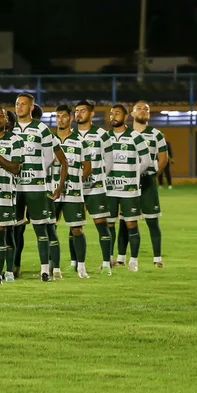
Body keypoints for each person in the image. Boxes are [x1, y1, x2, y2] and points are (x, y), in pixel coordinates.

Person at [12, 94, 67, 282]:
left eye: (23, 104)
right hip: (15, 189)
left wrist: (43, 177)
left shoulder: (41, 129)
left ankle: (45, 270)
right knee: (15, 230)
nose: (19, 107)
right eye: (17, 104)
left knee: (41, 229)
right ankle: (13, 268)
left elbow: (50, 158)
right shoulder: (10, 129)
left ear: (32, 107)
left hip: (36, 187)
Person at [107, 104, 150, 271]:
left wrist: (134, 174)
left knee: (131, 224)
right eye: (111, 114)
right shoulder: (106, 137)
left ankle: (134, 261)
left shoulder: (135, 136)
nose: (113, 116)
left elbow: (146, 161)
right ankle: (108, 259)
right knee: (109, 224)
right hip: (110, 189)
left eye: (117, 113)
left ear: (125, 117)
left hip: (130, 190)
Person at [74, 100, 115, 276]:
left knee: (101, 224)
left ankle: (107, 262)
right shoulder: (71, 135)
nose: (78, 114)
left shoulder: (101, 134)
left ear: (91, 114)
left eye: (83, 111)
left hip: (96, 188)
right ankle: (75, 262)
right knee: (75, 226)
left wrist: (100, 178)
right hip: (75, 189)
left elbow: (110, 160)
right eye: (76, 111)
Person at [51, 104, 91, 278]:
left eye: (64, 116)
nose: (61, 119)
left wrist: (76, 182)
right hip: (51, 191)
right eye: (58, 116)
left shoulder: (81, 141)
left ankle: (81, 267)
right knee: (50, 229)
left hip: (73, 192)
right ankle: (55, 269)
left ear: (71, 119)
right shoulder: (48, 140)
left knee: (77, 230)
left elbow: (88, 167)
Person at [0, 106, 23, 284]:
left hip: (5, 194)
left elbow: (16, 168)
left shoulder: (15, 141)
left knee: (2, 233)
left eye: (2, 116)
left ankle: (4, 272)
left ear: (7, 120)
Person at [132, 101, 168, 268]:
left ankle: (157, 259)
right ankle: (120, 258)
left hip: (147, 181)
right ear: (132, 114)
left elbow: (163, 158)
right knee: (127, 221)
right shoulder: (124, 134)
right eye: (139, 108)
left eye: (146, 109)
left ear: (149, 115)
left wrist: (154, 175)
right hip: (128, 183)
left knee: (152, 221)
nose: (143, 111)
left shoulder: (156, 134)